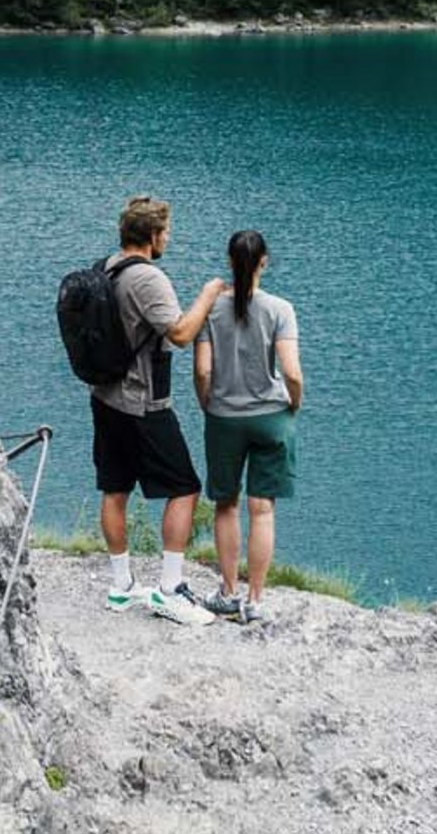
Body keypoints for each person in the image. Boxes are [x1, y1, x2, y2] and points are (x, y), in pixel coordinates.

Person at [91, 195, 224, 625]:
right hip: (144, 402)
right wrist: (208, 294)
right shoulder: (147, 278)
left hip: (106, 397)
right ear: (151, 236)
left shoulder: (106, 268)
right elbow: (182, 333)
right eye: (166, 232)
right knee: (184, 487)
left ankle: (121, 587)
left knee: (115, 489)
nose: (168, 239)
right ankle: (169, 589)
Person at [195, 230, 302, 627]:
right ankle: (255, 600)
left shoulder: (211, 311)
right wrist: (295, 402)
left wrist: (209, 403)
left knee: (226, 505)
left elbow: (204, 370)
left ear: (229, 261)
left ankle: (227, 592)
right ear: (264, 262)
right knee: (263, 510)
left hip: (224, 416)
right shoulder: (280, 309)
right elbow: (291, 371)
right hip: (271, 416)